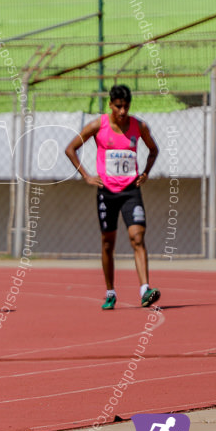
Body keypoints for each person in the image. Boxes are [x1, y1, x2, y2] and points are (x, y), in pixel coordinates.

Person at [64, 84, 161, 310]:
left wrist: (145, 172)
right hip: (107, 191)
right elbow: (70, 148)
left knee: (137, 238)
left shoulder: (139, 126)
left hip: (131, 191)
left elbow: (153, 149)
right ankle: (110, 292)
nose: (123, 111)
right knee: (108, 243)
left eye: (126, 106)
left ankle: (145, 289)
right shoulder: (99, 125)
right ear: (110, 105)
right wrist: (86, 176)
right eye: (118, 106)